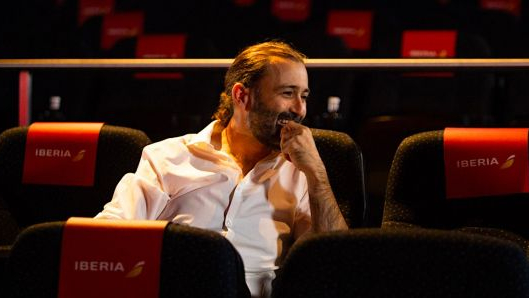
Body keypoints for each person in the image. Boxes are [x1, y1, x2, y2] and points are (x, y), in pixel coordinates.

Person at [95, 40, 348, 297]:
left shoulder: (301, 172)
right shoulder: (167, 157)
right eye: (287, 93)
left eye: (303, 96)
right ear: (242, 96)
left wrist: (316, 173)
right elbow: (105, 235)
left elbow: (335, 262)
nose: (300, 109)